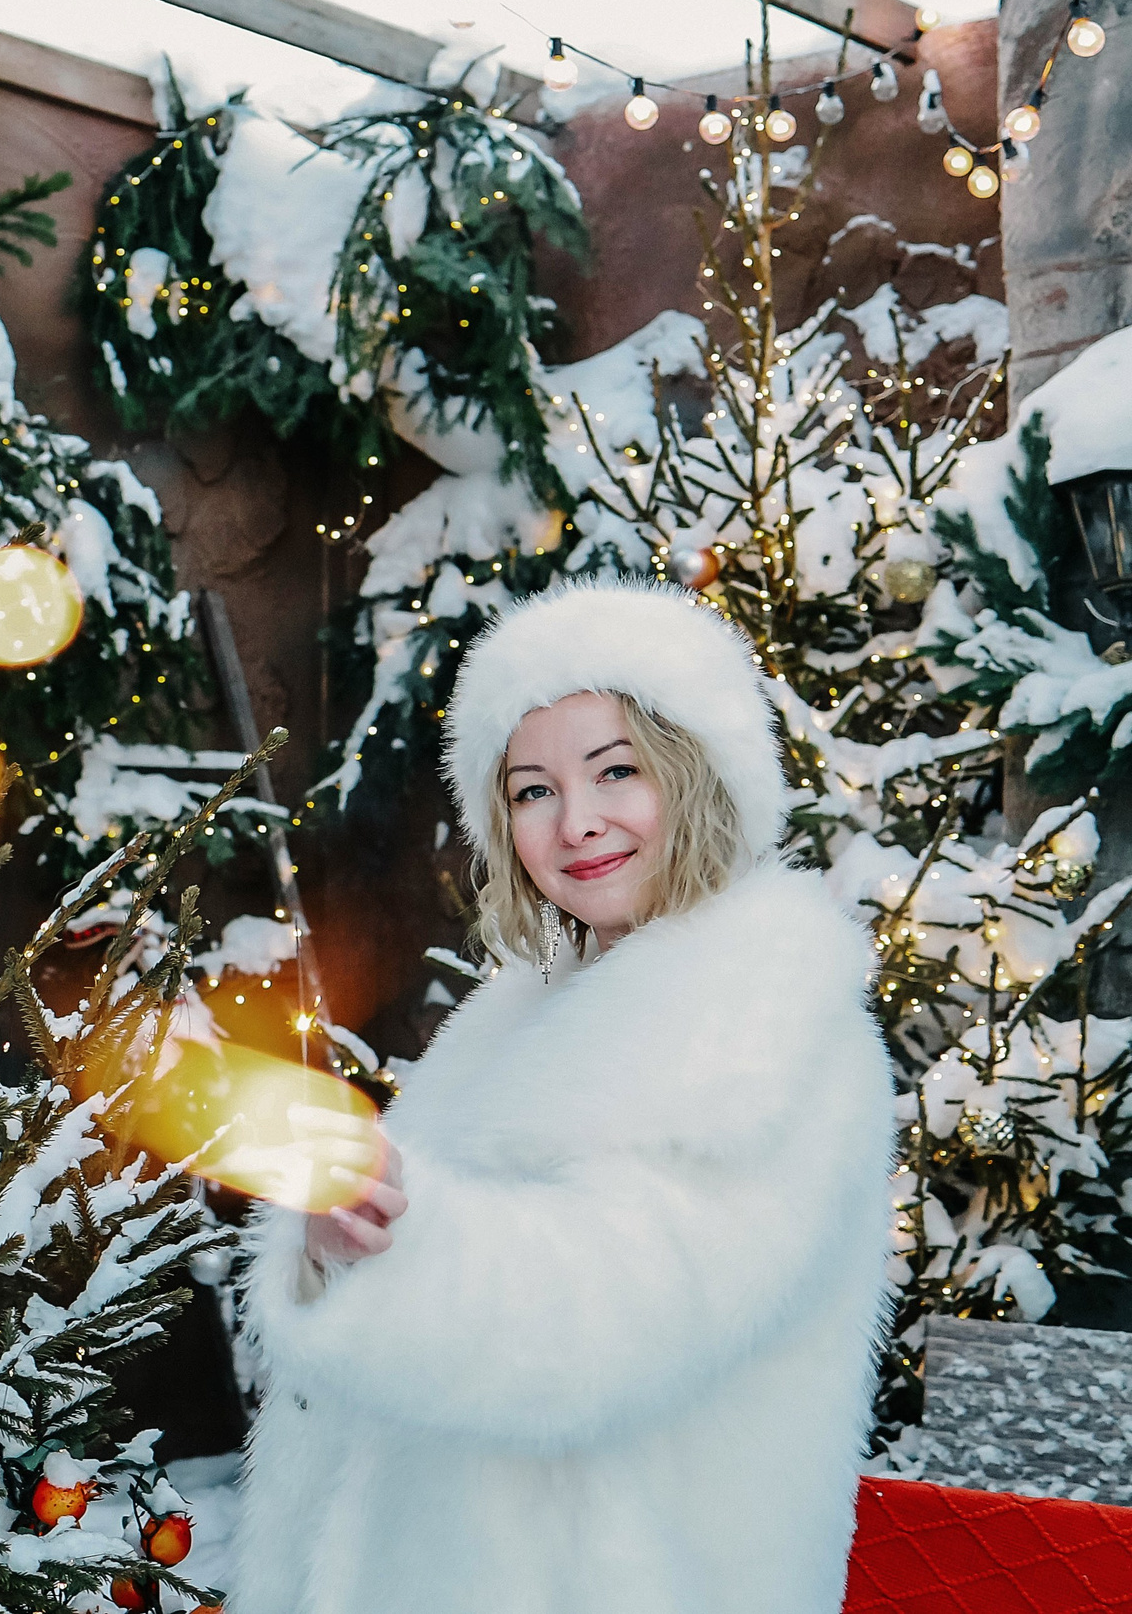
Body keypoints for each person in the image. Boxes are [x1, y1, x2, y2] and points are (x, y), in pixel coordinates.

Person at [230, 579, 898, 1614]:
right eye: (531, 788)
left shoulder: (766, 1029)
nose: (575, 821)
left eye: (616, 770)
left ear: (697, 774)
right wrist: (334, 1231)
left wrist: (405, 1235)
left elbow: (609, 1314)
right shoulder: (515, 1016)